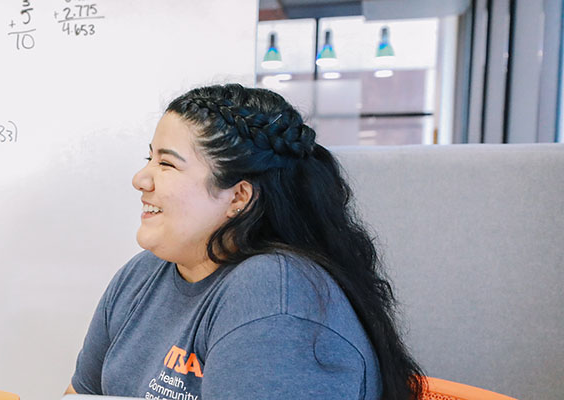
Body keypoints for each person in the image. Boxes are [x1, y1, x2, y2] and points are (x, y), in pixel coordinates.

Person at [67, 83, 424, 399]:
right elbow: (79, 394)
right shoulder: (141, 275)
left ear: (238, 196)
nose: (141, 179)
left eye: (167, 164)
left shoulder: (275, 296)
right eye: (150, 158)